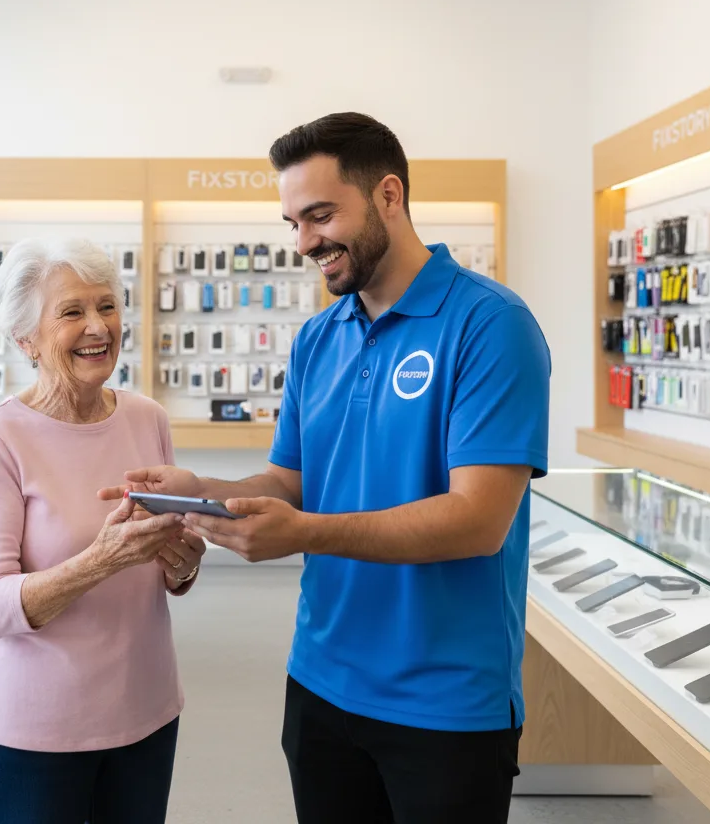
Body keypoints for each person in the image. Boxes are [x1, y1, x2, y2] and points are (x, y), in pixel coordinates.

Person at [102, 113, 551, 824]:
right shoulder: (318, 338)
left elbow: (478, 521)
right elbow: (291, 483)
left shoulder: (491, 325)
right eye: (293, 223)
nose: (305, 242)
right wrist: (204, 492)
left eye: (320, 216)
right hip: (319, 682)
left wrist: (305, 533)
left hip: (446, 701)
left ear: (390, 197)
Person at [0, 238, 204, 824]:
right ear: (25, 340)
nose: (99, 327)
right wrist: (102, 559)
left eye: (107, 306)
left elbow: (174, 575)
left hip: (146, 712)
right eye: (72, 312)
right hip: (36, 731)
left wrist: (183, 561)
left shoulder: (148, 418)